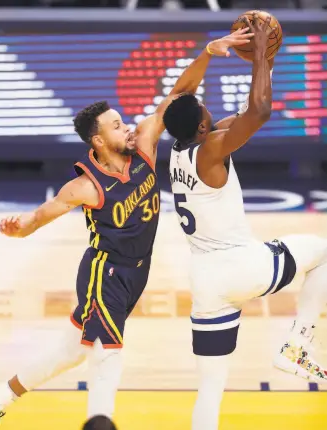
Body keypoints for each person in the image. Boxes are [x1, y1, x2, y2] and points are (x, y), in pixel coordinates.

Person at [0, 29, 253, 429]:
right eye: (117, 126)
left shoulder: (144, 144)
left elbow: (178, 97)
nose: (128, 127)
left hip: (137, 272)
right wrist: (18, 226)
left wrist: (206, 53)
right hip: (105, 273)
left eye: (125, 121)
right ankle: (100, 420)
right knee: (106, 350)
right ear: (98, 141)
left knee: (72, 350)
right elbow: (39, 217)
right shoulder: (85, 185)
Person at [163, 13, 327, 430]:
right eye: (206, 109)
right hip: (239, 267)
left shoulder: (181, 146)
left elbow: (181, 96)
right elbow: (259, 111)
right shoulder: (211, 148)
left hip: (205, 282)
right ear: (203, 125)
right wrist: (257, 55)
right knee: (323, 253)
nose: (208, 107)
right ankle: (298, 344)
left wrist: (211, 52)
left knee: (211, 390)